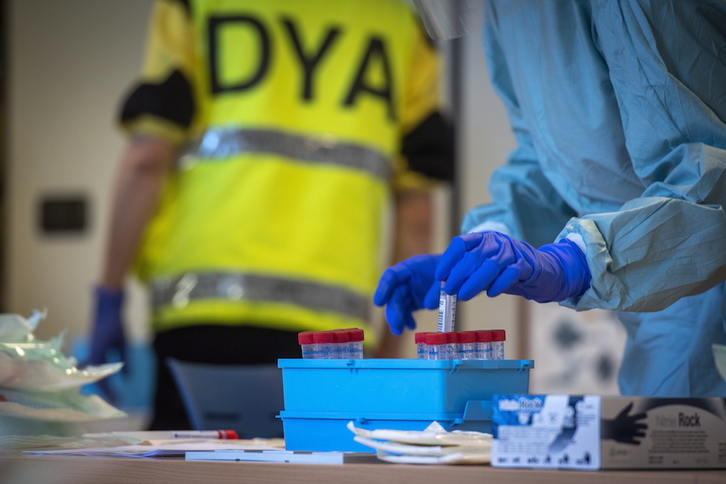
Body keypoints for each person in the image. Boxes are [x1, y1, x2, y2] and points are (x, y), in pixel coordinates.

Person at [89, 0, 454, 429]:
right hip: (331, 336)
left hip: (199, 314)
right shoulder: (399, 22)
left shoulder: (197, 5)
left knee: (183, 470)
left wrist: (108, 296)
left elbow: (147, 158)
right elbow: (416, 213)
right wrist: (387, 359)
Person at [375, 0, 726, 398]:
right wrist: (489, 239)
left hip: (707, 289)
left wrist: (579, 259)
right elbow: (549, 156)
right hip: (655, 301)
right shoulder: (508, 15)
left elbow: (711, 178)